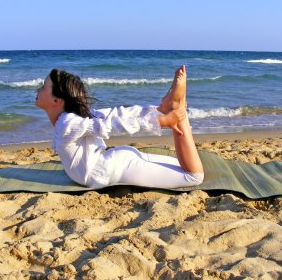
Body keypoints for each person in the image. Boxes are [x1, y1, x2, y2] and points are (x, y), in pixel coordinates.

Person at [35, 65, 204, 189]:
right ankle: (170, 106)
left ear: (57, 101)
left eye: (43, 87)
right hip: (115, 161)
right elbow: (116, 115)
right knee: (187, 168)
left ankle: (174, 107)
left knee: (193, 176)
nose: (38, 89)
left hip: (108, 169)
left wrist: (160, 120)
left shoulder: (67, 123)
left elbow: (110, 124)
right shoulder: (72, 120)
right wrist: (157, 112)